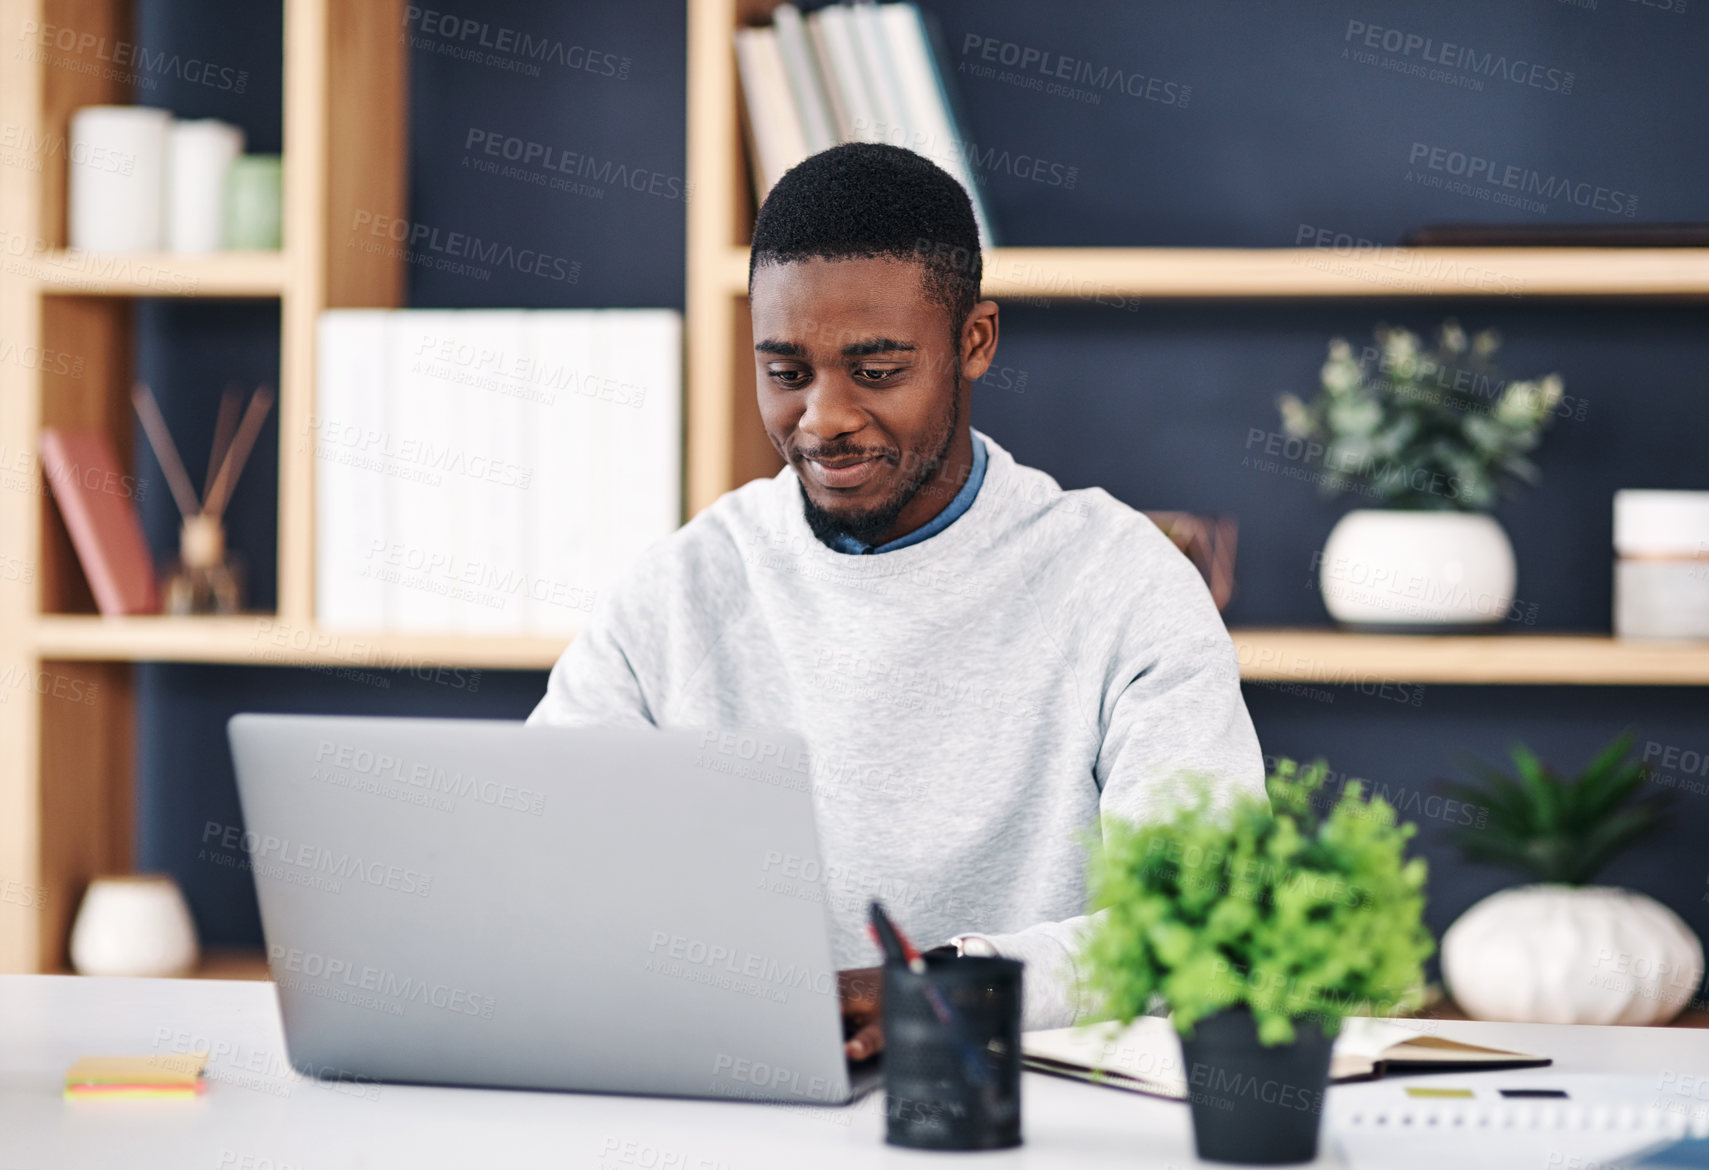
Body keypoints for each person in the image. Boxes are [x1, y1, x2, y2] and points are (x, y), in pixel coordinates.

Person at [529, 142, 1264, 1060]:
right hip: (733, 1104)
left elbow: (1204, 927)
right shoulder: (685, 582)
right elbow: (537, 865)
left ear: (974, 342)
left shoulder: (1122, 583)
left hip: (1020, 1110)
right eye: (785, 371)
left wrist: (946, 990)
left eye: (875, 371)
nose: (822, 418)